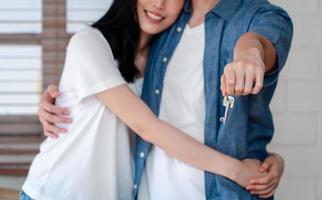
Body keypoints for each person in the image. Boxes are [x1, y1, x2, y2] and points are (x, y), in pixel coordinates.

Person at [21, 0, 282, 200]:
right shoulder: (88, 43)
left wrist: (269, 159)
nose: (159, 4)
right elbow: (148, 127)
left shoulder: (159, 63)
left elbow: (183, 117)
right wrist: (236, 170)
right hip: (56, 191)